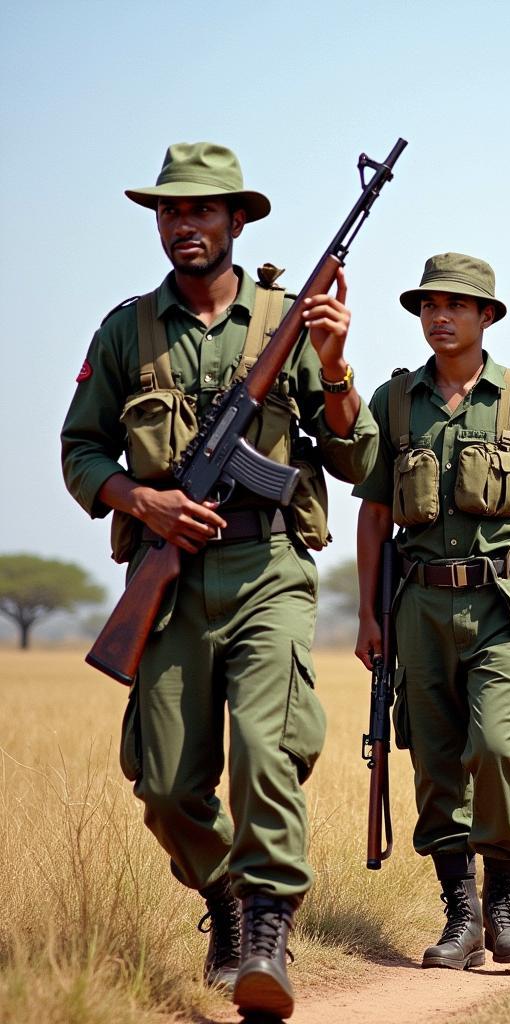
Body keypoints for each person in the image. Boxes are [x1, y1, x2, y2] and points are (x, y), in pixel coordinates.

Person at [60, 142, 378, 1020]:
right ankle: (227, 902)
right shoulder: (127, 330)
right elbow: (81, 450)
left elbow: (357, 459)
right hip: (170, 578)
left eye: (201, 211)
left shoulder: (291, 318)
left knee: (271, 751)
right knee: (164, 784)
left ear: (238, 220)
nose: (183, 226)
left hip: (270, 566)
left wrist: (339, 368)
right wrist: (144, 501)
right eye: (170, 212)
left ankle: (269, 936)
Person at [353, 253, 510, 969]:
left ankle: (503, 898)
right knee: (434, 763)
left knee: (498, 750)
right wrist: (367, 614)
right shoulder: (392, 403)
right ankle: (460, 915)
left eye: (456, 305)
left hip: (502, 604)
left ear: (487, 316)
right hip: (417, 605)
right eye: (429, 305)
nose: (439, 317)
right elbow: (374, 514)